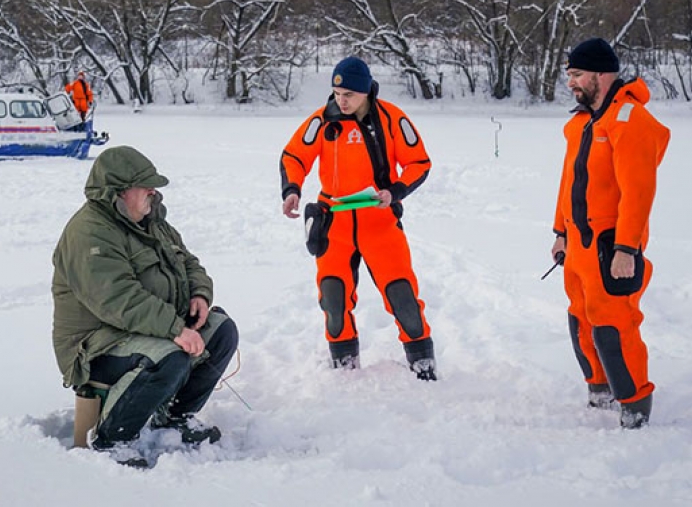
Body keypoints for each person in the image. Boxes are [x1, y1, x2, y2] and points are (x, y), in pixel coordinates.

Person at [51, 146, 239, 463]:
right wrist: (174, 328)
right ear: (119, 192)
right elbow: (119, 299)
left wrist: (199, 295)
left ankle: (175, 418)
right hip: (97, 344)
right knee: (170, 355)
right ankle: (111, 439)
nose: (153, 191)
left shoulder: (150, 221)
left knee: (221, 330)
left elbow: (190, 263)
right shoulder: (90, 232)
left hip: (144, 329)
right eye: (145, 185)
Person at [280, 56, 437, 380]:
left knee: (402, 295)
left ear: (366, 92)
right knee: (333, 297)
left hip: (379, 223)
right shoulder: (323, 120)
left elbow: (418, 162)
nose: (342, 100)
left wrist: (394, 191)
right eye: (338, 94)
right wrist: (291, 189)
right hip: (333, 224)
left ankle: (422, 362)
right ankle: (344, 366)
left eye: (349, 94)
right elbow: (294, 155)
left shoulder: (391, 119)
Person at [550, 38, 670, 429]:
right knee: (580, 321)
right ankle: (599, 389)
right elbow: (568, 183)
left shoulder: (631, 120)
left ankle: (635, 403)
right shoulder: (582, 122)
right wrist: (559, 232)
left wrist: (626, 248)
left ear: (602, 74)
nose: (571, 83)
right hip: (577, 245)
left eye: (577, 74)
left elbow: (639, 192)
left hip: (609, 249)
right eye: (569, 74)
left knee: (613, 325)